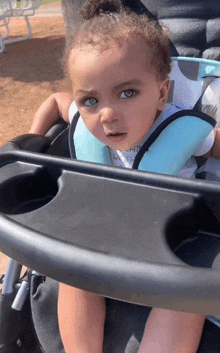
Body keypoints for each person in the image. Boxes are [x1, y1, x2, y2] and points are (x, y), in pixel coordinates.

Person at [29, 0, 220, 352]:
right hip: (107, 223)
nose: (107, 115)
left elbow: (214, 143)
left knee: (188, 300)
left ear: (162, 93)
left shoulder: (181, 126)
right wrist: (32, 140)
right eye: (90, 100)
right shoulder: (86, 117)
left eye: (127, 93)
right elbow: (57, 102)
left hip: (176, 232)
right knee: (74, 274)